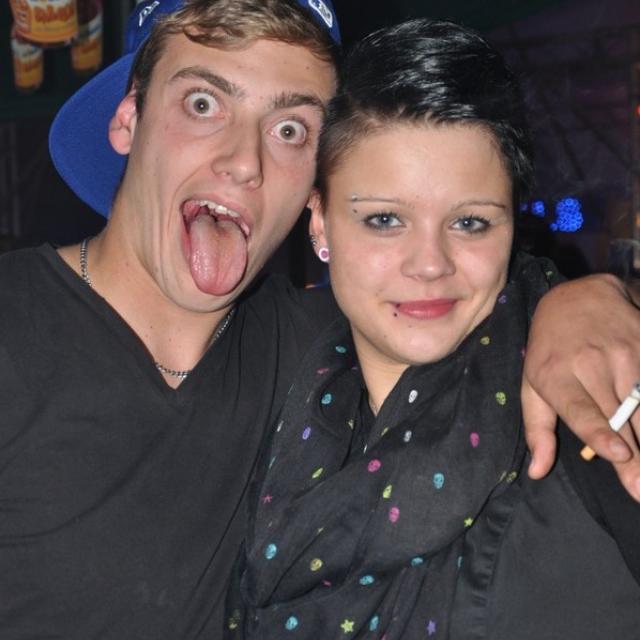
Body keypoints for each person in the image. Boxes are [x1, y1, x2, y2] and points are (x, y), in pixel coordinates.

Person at [0, 0, 637, 637]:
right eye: (202, 103)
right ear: (128, 118)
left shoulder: (319, 348)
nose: (244, 161)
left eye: (289, 129)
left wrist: (579, 302)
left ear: (315, 194)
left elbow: (465, 283)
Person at [232, 19, 640, 639]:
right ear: (320, 222)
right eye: (384, 219)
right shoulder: (273, 406)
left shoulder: (595, 408)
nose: (429, 264)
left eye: (470, 223)